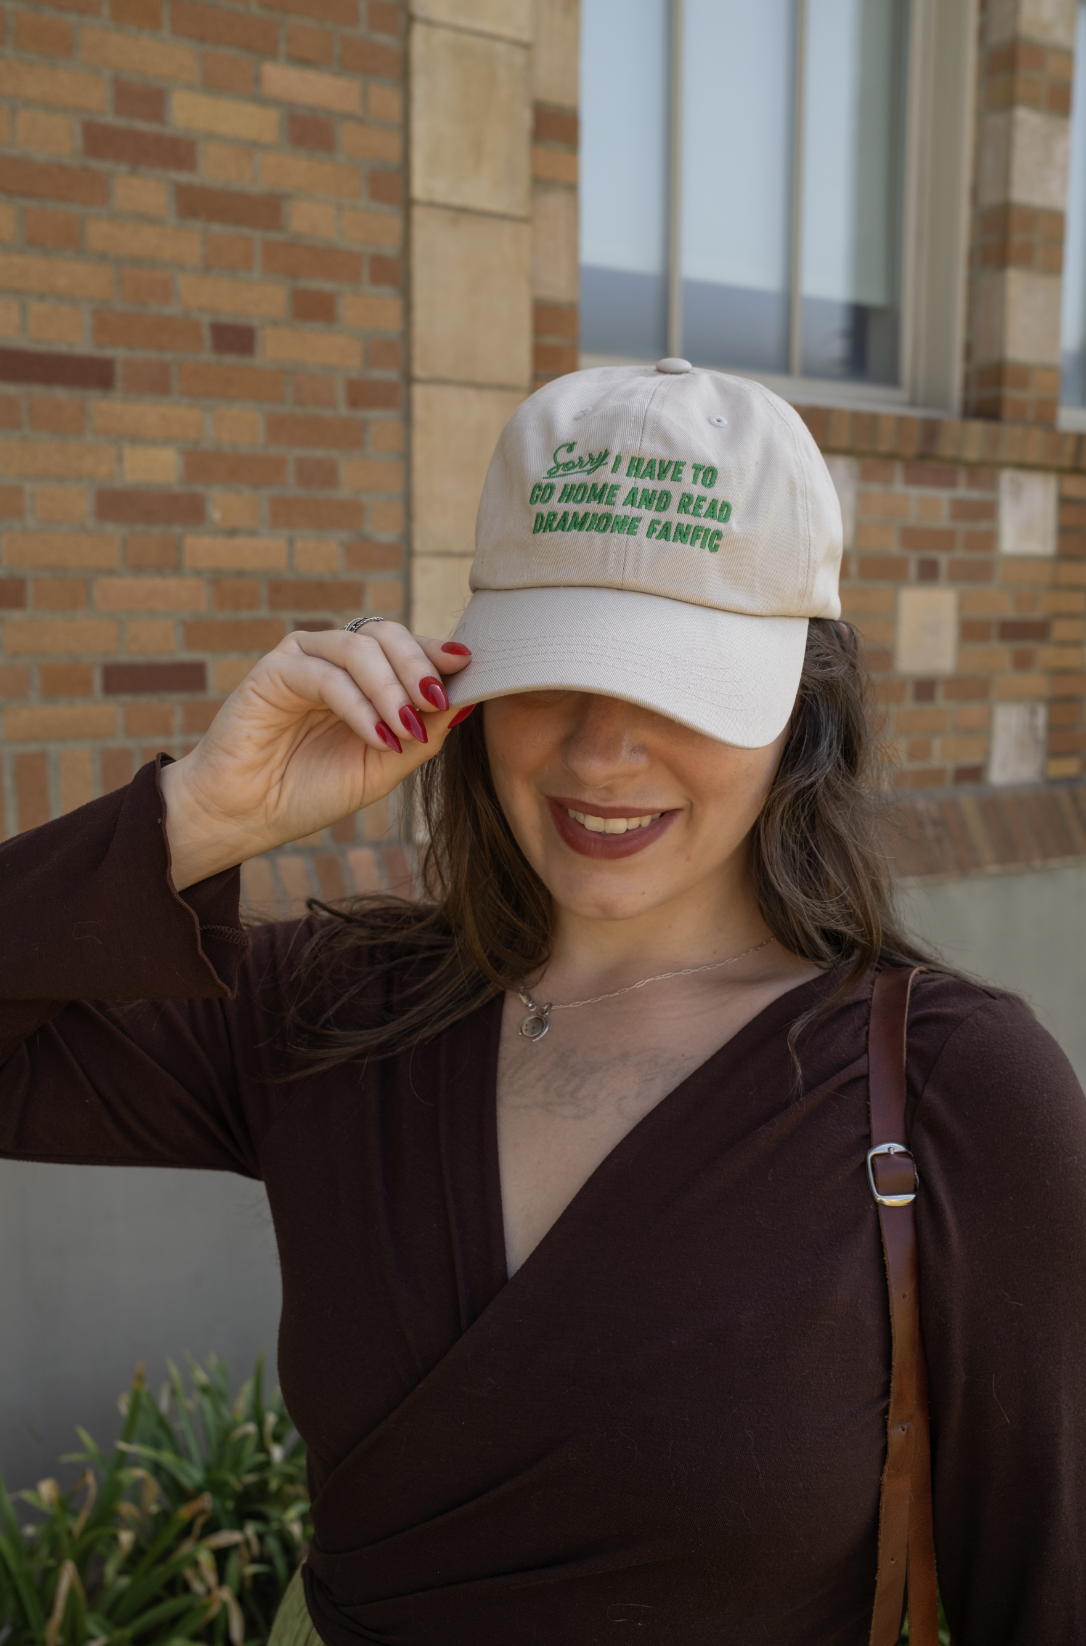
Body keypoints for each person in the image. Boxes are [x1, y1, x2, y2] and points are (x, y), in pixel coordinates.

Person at [2, 360, 1084, 1646]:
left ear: (805, 703)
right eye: (552, 671)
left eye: (679, 685)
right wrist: (198, 815)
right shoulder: (335, 1011)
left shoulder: (956, 1090)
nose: (599, 752)